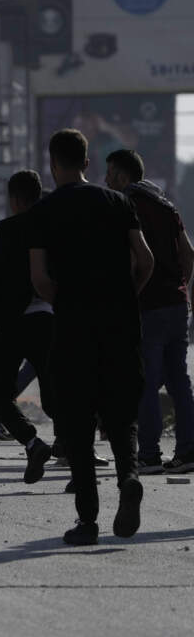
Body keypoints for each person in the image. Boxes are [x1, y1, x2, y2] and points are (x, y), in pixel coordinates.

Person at [28, 128, 154, 545]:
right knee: (121, 412)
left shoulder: (43, 211)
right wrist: (127, 295)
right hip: (120, 322)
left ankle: (88, 521)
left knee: (77, 418)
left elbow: (40, 278)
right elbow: (146, 260)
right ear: (86, 163)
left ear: (52, 164)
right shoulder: (118, 202)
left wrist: (67, 302)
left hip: (74, 326)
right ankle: (129, 477)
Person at [105, 149, 194, 475]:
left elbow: (134, 260)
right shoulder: (166, 205)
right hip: (177, 305)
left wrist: (130, 298)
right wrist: (182, 290)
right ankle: (187, 451)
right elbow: (189, 254)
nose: (106, 181)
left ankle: (149, 455)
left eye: (109, 174)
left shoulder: (125, 206)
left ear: (122, 176)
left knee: (146, 382)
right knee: (179, 382)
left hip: (148, 307)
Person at [0, 170, 55, 483]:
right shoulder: (53, 228)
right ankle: (78, 457)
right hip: (48, 319)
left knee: (0, 396)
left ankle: (32, 443)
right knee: (56, 397)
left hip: (13, 322)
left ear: (15, 199)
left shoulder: (6, 229)